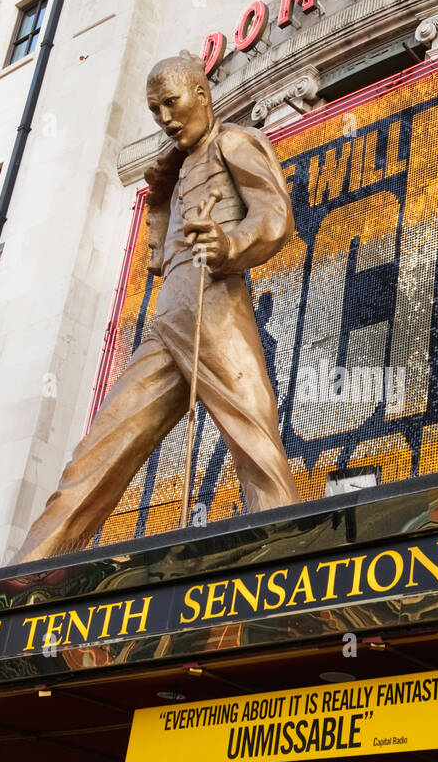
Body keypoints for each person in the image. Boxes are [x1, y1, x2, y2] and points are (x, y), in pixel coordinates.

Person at [16, 51, 299, 563]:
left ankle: (281, 560)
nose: (165, 118)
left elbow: (274, 214)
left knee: (254, 439)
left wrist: (231, 245)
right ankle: (27, 572)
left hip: (215, 302)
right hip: (170, 311)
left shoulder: (233, 141)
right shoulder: (175, 168)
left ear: (202, 95)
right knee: (102, 446)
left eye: (172, 103)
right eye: (154, 110)